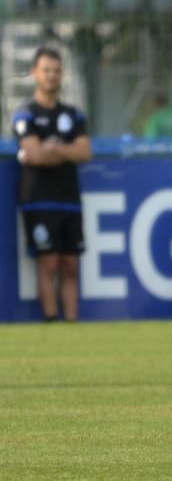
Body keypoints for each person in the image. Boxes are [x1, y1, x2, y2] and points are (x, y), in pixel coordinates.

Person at [12, 47, 92, 322]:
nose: (51, 76)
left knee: (70, 264)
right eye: (46, 70)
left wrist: (52, 149)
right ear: (35, 73)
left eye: (56, 70)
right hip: (39, 198)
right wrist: (63, 149)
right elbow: (33, 153)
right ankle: (50, 319)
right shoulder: (25, 113)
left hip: (69, 197)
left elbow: (84, 153)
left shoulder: (74, 115)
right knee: (49, 263)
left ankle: (72, 322)